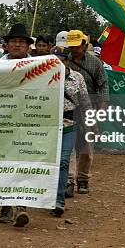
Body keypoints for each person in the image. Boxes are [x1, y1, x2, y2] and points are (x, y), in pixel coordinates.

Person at [66, 29, 109, 196]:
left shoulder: (95, 63)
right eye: (71, 47)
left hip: (88, 110)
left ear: (84, 45)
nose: (74, 49)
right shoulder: (64, 61)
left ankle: (83, 179)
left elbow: (103, 86)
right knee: (68, 147)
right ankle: (69, 181)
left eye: (77, 46)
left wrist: (101, 111)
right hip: (68, 110)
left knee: (86, 147)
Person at [50, 47, 91, 216]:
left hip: (69, 125)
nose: (58, 63)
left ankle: (58, 200)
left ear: (67, 61)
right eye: (55, 61)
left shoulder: (77, 78)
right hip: (48, 126)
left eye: (61, 60)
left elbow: (85, 102)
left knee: (64, 160)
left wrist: (90, 123)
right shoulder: (45, 77)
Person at [0, 23, 32, 227]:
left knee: (25, 163)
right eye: (14, 41)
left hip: (29, 121)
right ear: (7, 45)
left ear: (28, 46)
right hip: (2, 121)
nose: (17, 45)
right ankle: (5, 206)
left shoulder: (40, 66)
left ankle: (21, 206)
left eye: (21, 42)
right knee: (4, 163)